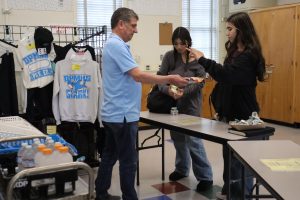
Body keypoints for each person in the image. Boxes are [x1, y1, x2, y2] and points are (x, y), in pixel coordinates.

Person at [95, 7, 188, 200]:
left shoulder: (114, 45)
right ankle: (129, 197)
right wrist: (169, 78)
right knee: (128, 161)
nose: (136, 30)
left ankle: (101, 194)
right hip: (122, 115)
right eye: (133, 26)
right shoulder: (116, 45)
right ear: (121, 24)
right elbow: (137, 75)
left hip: (115, 113)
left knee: (110, 156)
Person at [187, 12, 265, 199]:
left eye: (230, 29)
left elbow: (227, 75)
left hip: (244, 117)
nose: (227, 33)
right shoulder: (233, 53)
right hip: (229, 116)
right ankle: (231, 192)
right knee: (230, 159)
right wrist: (220, 108)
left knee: (241, 164)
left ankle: (240, 195)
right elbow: (225, 82)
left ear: (241, 30)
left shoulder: (248, 56)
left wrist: (203, 59)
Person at [158, 27, 213, 192]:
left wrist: (184, 92)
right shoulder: (169, 56)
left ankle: (205, 177)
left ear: (189, 42)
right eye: (176, 44)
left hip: (191, 106)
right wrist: (168, 90)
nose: (179, 47)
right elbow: (160, 78)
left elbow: (201, 81)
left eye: (182, 44)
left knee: (194, 141)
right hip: (173, 106)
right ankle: (182, 169)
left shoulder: (197, 57)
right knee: (178, 139)